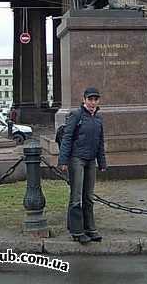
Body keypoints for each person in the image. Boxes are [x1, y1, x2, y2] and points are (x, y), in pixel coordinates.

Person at [58, 87, 107, 244]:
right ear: (84, 100)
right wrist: (63, 161)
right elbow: (67, 138)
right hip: (76, 159)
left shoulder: (98, 119)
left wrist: (102, 162)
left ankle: (90, 228)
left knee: (88, 197)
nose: (93, 102)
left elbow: (100, 142)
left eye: (95, 99)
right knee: (76, 197)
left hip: (90, 160)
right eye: (90, 99)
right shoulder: (76, 115)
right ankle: (77, 231)